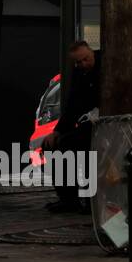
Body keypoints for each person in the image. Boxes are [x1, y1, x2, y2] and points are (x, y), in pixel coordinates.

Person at [42, 40, 99, 213]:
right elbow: (72, 105)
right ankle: (68, 197)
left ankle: (87, 200)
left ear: (91, 52)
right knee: (52, 146)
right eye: (78, 62)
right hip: (84, 123)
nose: (82, 64)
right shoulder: (78, 73)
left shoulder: (103, 67)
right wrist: (57, 131)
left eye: (85, 59)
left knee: (75, 147)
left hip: (99, 122)